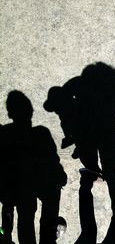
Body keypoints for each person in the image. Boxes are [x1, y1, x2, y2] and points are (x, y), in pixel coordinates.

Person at [45, 62, 115, 244]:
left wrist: (73, 134)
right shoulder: (114, 87)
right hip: (103, 132)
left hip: (89, 132)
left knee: (95, 164)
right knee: (111, 172)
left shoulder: (78, 84)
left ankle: (92, 179)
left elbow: (67, 109)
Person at [0, 90, 67, 243]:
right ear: (30, 112)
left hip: (17, 188)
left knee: (26, 214)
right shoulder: (41, 133)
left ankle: (43, 235)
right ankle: (48, 235)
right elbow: (53, 160)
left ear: (10, 115)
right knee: (50, 193)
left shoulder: (5, 133)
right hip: (25, 185)